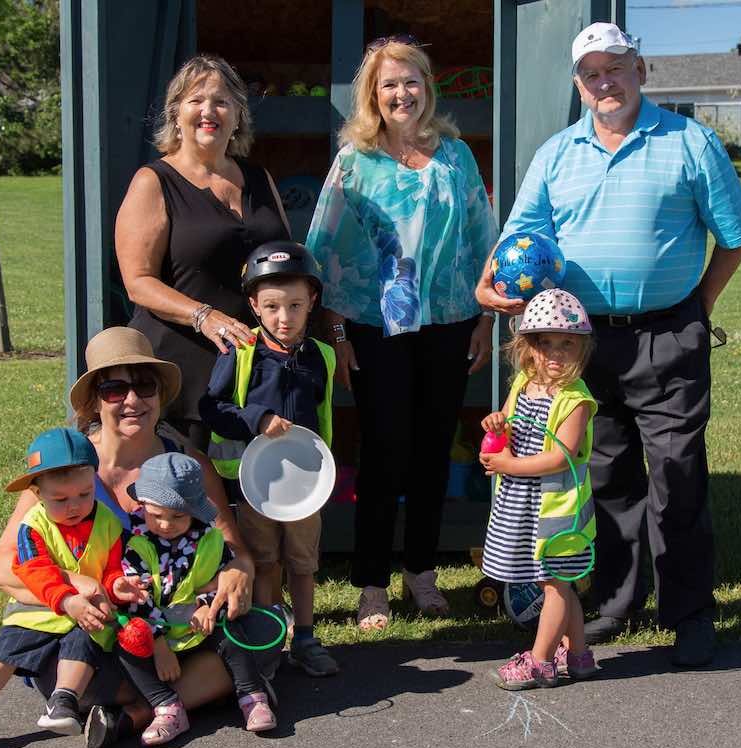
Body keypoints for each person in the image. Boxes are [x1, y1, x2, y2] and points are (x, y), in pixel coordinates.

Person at [475, 22, 741, 666]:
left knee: (677, 477)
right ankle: (614, 602)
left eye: (615, 67)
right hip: (579, 345)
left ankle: (688, 613)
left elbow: (736, 232)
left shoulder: (692, 142)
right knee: (602, 475)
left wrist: (701, 304)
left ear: (641, 70)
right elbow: (520, 236)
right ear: (579, 84)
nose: (605, 82)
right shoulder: (557, 153)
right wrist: (489, 281)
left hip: (668, 333)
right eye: (591, 73)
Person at [0, 326, 261, 748]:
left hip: (172, 630)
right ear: (96, 400)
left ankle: (131, 717)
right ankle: (170, 702)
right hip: (94, 636)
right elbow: (1, 567)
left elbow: (236, 551)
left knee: (256, 634)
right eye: (115, 389)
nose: (132, 400)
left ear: (159, 394)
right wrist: (74, 591)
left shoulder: (189, 465)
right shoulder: (58, 474)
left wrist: (237, 575)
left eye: (144, 385)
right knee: (87, 661)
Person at [304, 35, 498, 630]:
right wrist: (336, 332)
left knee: (433, 451)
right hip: (373, 326)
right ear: (373, 94)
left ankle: (421, 571)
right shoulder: (354, 161)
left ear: (427, 87)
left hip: (447, 322)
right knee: (385, 452)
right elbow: (324, 247)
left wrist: (486, 317)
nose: (401, 93)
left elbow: (480, 236)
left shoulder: (455, 156)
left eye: (411, 81)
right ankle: (370, 584)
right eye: (389, 84)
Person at [116, 54, 290, 450]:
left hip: (252, 375)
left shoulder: (259, 178)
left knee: (252, 502)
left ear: (237, 116)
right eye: (196, 100)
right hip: (183, 373)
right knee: (186, 503)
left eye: (221, 101)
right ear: (176, 114)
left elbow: (284, 263)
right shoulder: (154, 181)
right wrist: (204, 316)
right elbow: (137, 283)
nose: (208, 111)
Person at [0, 428, 142, 744]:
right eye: (60, 499)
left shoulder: (108, 524)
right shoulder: (33, 525)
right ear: (38, 494)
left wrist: (116, 585)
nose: (74, 506)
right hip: (36, 611)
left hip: (84, 616)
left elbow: (111, 568)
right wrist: (67, 599)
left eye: (85, 494)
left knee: (82, 643)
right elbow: (35, 570)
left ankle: (63, 701)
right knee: (5, 650)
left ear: (93, 482)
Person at [199, 241, 340, 677]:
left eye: (296, 305)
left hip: (304, 485)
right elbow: (210, 408)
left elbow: (320, 413)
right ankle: (270, 636)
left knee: (303, 561)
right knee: (263, 560)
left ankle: (306, 636)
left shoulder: (321, 356)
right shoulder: (240, 353)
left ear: (312, 302)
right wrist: (257, 419)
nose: (285, 317)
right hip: (254, 482)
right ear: (254, 306)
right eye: (274, 306)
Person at [114, 453, 285, 745]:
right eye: (156, 516)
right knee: (128, 650)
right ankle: (167, 707)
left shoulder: (208, 539)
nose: (166, 525)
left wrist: (209, 606)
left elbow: (221, 578)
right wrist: (158, 644)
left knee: (232, 637)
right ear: (142, 507)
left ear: (194, 511)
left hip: (198, 622)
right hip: (156, 628)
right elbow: (137, 598)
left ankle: (251, 695)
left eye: (178, 516)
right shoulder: (135, 543)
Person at [479, 290, 599, 689]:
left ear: (581, 347)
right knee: (558, 583)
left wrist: (509, 466)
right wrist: (499, 428)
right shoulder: (526, 385)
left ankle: (541, 660)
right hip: (526, 501)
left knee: (556, 584)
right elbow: (512, 429)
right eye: (545, 343)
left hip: (557, 507)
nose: (555, 353)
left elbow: (560, 457)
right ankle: (579, 656)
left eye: (566, 343)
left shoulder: (576, 399)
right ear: (528, 347)